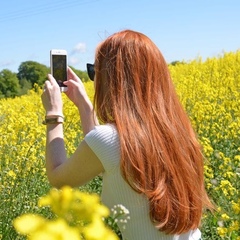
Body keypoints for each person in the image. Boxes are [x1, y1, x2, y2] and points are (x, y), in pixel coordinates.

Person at [41, 30, 213, 240]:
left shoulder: (112, 141)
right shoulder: (178, 131)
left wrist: (53, 113)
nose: (95, 80)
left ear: (113, 79)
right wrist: (85, 108)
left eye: (95, 71)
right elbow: (109, 163)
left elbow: (58, 177)